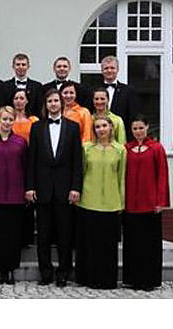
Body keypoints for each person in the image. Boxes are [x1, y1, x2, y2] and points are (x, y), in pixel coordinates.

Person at [26, 89, 82, 287]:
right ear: (46, 104)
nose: (53, 104)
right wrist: (30, 186)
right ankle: (46, 273)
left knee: (64, 235)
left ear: (62, 103)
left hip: (65, 189)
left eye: (56, 100)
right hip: (42, 188)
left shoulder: (73, 127)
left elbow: (77, 161)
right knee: (43, 235)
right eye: (49, 101)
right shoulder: (37, 127)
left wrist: (76, 187)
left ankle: (63, 273)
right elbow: (31, 159)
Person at [75, 115, 126, 289]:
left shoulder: (120, 150)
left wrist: (121, 201)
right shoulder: (86, 148)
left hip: (111, 203)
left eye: (104, 125)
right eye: (97, 127)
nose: (101, 129)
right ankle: (88, 278)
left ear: (111, 127)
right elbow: (81, 173)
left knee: (108, 245)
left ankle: (107, 279)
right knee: (90, 243)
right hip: (89, 201)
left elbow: (121, 177)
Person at [123, 115, 170, 291]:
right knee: (133, 243)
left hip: (150, 204)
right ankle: (133, 279)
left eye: (141, 128)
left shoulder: (156, 148)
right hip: (130, 204)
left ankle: (149, 280)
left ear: (147, 127)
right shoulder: (126, 149)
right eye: (135, 129)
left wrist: (161, 201)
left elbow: (163, 175)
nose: (138, 132)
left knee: (149, 244)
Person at [0, 107, 27, 284]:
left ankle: (10, 269)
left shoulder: (21, 142)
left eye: (10, 119)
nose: (7, 123)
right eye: (4, 119)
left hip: (16, 196)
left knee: (13, 235)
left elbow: (25, 166)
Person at [10, 88, 39, 248]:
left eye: (22, 98)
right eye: (16, 98)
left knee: (28, 200)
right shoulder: (8, 120)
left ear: (27, 101)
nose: (19, 101)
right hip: (13, 163)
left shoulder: (33, 120)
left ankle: (27, 237)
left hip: (30, 162)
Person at [99, 55, 140, 132]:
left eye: (112, 68)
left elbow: (132, 117)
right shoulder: (93, 90)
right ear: (102, 70)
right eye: (106, 68)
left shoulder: (129, 91)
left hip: (122, 134)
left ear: (117, 69)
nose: (109, 70)